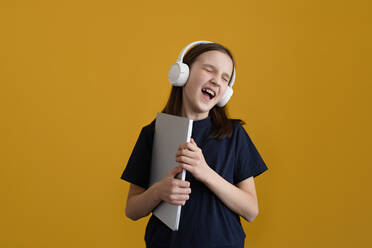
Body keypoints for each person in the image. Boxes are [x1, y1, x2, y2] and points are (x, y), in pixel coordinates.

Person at [121, 41, 268, 248]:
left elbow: (251, 210)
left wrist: (205, 172)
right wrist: (158, 191)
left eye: (225, 78)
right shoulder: (152, 133)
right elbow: (132, 210)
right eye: (209, 70)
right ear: (183, 73)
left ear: (226, 92)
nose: (217, 81)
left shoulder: (234, 135)